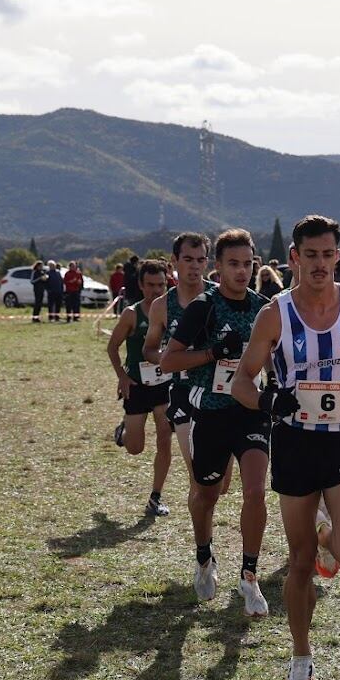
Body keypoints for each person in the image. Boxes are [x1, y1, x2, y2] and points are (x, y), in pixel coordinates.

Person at [232, 215, 340, 680]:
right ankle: (301, 656)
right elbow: (241, 380)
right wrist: (268, 399)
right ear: (294, 258)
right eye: (310, 255)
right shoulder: (275, 313)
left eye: (328, 255)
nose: (320, 265)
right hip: (294, 442)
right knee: (298, 562)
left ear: (339, 257)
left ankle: (326, 535)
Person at [157, 229, 270, 614]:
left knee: (255, 492)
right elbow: (168, 361)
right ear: (218, 267)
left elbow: (275, 359)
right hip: (211, 413)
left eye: (247, 263)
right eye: (233, 264)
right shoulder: (202, 307)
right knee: (207, 495)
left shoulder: (264, 308)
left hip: (250, 413)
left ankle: (249, 577)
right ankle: (204, 556)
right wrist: (209, 353)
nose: (241, 272)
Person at [143, 232, 217, 496]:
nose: (194, 266)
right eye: (188, 259)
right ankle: (202, 536)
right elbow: (149, 348)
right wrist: (167, 359)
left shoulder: (219, 297)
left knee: (220, 486)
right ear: (174, 261)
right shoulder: (163, 305)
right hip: (184, 391)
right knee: (198, 478)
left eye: (200, 260)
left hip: (220, 392)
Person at [107, 259, 175, 516]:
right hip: (136, 384)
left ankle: (155, 497)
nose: (156, 290)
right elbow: (112, 347)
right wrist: (122, 376)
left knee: (164, 439)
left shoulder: (174, 311)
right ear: (140, 285)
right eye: (150, 285)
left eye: (161, 284)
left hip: (164, 386)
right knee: (135, 448)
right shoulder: (131, 314)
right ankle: (123, 432)